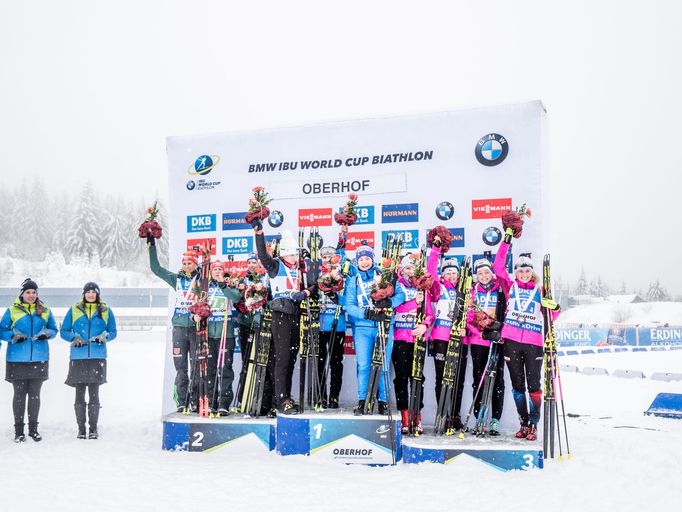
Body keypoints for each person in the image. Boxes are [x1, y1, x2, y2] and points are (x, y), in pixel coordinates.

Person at [494, 229, 560, 441]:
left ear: (532, 273)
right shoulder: (509, 286)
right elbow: (497, 267)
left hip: (533, 344)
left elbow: (552, 317)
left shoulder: (540, 291)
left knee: (534, 385)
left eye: (527, 271)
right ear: (515, 273)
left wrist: (555, 307)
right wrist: (506, 240)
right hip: (511, 342)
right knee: (517, 385)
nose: (524, 274)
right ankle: (523, 422)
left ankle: (534, 424)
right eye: (520, 271)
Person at [251, 220, 316, 414]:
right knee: (282, 358)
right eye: (290, 253)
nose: (293, 257)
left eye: (295, 253)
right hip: (280, 315)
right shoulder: (275, 266)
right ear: (283, 254)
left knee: (292, 358)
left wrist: (305, 294)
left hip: (295, 313)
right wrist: (259, 232)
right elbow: (262, 254)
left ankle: (285, 397)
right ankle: (281, 399)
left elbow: (313, 285)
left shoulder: (300, 268)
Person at [343, 244, 405, 415]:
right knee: (363, 365)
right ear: (357, 261)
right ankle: (363, 400)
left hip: (384, 326)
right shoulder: (353, 279)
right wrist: (366, 313)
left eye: (367, 258)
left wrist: (389, 303)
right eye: (361, 259)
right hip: (363, 328)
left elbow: (401, 295)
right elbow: (349, 305)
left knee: (383, 365)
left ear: (372, 259)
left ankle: (383, 401)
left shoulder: (383, 275)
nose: (364, 262)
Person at [0, 279, 57, 442]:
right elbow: (1, 330)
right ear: (22, 294)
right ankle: (19, 431)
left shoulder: (45, 310)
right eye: (28, 292)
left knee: (34, 395)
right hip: (16, 359)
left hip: (39, 358)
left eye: (34, 292)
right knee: (19, 395)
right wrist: (12, 337)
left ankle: (33, 429)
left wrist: (47, 334)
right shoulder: (12, 310)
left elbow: (54, 329)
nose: (31, 295)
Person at [147, 235, 200, 411]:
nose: (186, 266)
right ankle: (182, 401)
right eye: (184, 263)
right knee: (181, 368)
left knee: (197, 367)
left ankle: (195, 401)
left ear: (196, 265)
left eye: (189, 263)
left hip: (195, 328)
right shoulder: (176, 279)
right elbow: (156, 269)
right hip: (178, 329)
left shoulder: (203, 280)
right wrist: (151, 244)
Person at [60, 282, 117, 439]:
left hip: (97, 357)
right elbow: (63, 331)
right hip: (78, 357)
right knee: (79, 393)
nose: (91, 295)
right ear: (83, 294)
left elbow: (113, 332)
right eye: (88, 292)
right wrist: (74, 337)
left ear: (97, 294)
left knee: (94, 393)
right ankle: (81, 428)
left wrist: (104, 337)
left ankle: (93, 428)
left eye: (93, 292)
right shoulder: (74, 310)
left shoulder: (106, 310)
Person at [426, 240, 467, 429]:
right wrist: (435, 250)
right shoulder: (437, 288)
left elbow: (472, 314)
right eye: (448, 271)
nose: (451, 274)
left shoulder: (465, 290)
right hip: (441, 339)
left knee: (457, 379)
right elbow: (430, 271)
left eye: (454, 272)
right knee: (441, 378)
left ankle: (455, 415)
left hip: (460, 339)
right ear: (443, 274)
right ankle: (442, 413)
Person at [391, 254, 433, 434]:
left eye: (412, 269)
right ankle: (405, 415)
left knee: (417, 377)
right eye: (406, 268)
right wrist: (413, 303)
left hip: (418, 339)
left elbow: (430, 312)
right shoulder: (395, 285)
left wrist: (425, 325)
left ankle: (417, 414)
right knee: (400, 378)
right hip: (400, 338)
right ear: (401, 270)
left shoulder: (422, 287)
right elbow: (394, 307)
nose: (409, 272)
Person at [465, 258, 507, 435]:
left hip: (497, 340)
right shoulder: (471, 292)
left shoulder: (501, 290)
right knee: (479, 379)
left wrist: (500, 331)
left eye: (486, 272)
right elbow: (467, 319)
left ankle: (495, 419)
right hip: (478, 341)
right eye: (480, 273)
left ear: (492, 273)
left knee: (497, 380)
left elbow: (508, 313)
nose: (483, 276)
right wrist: (481, 333)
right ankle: (479, 417)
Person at [203, 261, 242, 414]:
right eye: (215, 269)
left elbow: (237, 297)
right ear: (210, 272)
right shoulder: (206, 287)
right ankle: (212, 401)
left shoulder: (228, 285)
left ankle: (224, 402)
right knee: (210, 369)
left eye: (220, 269)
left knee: (225, 368)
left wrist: (223, 285)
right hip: (209, 334)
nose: (217, 271)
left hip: (226, 333)